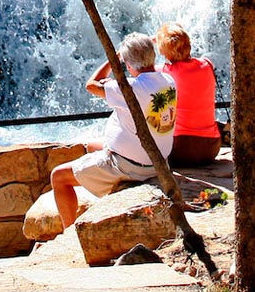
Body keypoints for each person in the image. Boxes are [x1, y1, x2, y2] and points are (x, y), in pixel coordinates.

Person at [50, 32, 177, 228]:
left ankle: (69, 233)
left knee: (58, 176)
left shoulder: (128, 88)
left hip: (129, 165)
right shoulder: (168, 81)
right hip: (158, 161)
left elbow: (91, 84)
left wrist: (114, 57)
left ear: (127, 63)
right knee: (90, 146)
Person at [154, 21, 221, 167]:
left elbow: (140, 67)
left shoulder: (164, 72)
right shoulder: (207, 64)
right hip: (212, 148)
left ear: (163, 51)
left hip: (180, 151)